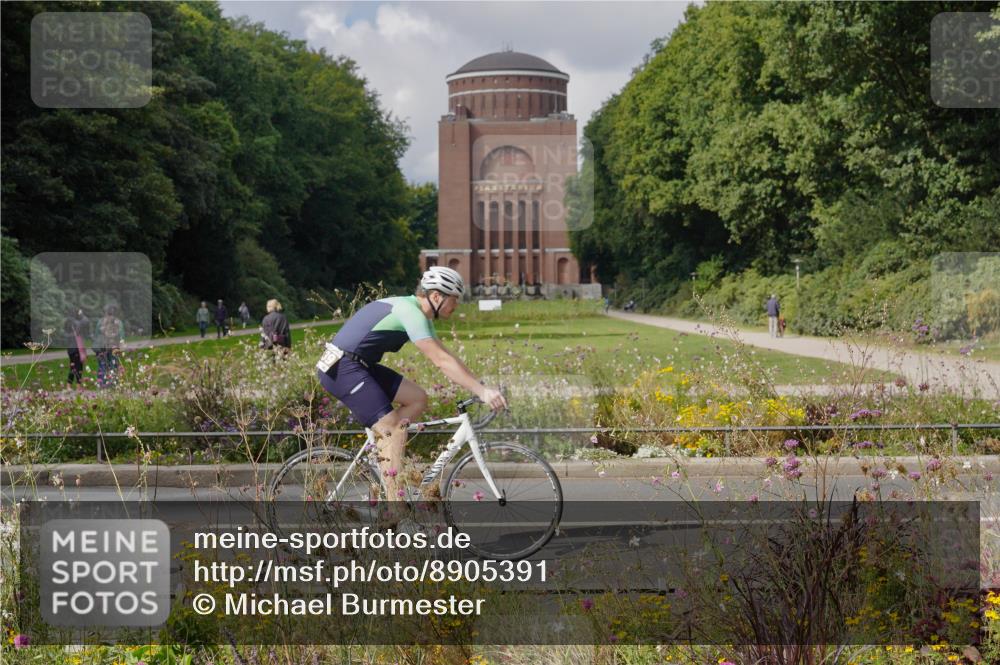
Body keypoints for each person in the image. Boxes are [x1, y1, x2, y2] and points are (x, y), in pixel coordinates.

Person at [315, 266, 507, 509]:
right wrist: (483, 392)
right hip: (342, 369)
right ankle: (394, 509)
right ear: (436, 297)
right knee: (394, 429)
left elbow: (446, 356)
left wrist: (480, 386)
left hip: (359, 365)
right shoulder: (410, 311)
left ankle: (384, 453)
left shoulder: (415, 311)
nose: (456, 305)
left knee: (417, 398)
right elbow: (441, 362)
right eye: (454, 299)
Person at [95, 304, 124, 388]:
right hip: (114, 346)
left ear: (105, 312)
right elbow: (121, 335)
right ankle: (114, 383)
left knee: (102, 364)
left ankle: (102, 384)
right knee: (114, 364)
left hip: (102, 347)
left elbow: (97, 335)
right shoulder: (118, 322)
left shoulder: (100, 322)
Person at [64, 308, 89, 386]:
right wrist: (81, 314)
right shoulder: (77, 323)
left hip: (70, 349)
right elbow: (85, 322)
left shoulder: (67, 323)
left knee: (72, 366)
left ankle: (69, 385)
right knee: (78, 367)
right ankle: (78, 386)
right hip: (77, 348)